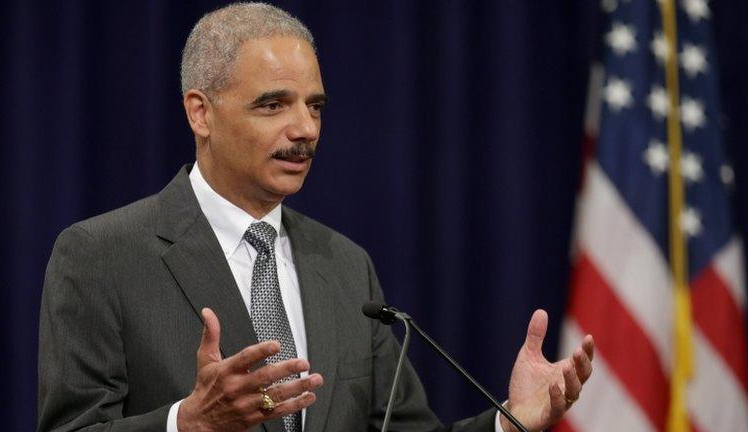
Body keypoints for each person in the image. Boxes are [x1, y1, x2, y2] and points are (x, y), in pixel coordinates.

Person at [38, 3, 594, 432]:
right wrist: (187, 423)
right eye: (273, 105)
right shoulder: (102, 255)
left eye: (315, 106)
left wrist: (509, 420)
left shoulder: (346, 266)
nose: (305, 129)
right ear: (200, 112)